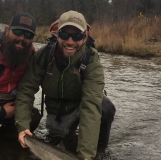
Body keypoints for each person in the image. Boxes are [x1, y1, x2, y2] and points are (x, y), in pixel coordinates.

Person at [15, 10, 115, 160]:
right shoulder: (44, 56)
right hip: (57, 112)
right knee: (57, 140)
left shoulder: (92, 61)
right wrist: (22, 126)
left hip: (80, 106)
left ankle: (100, 149)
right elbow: (26, 90)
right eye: (64, 35)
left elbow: (91, 107)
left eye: (76, 36)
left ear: (85, 37)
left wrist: (86, 156)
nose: (70, 41)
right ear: (57, 35)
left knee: (105, 106)